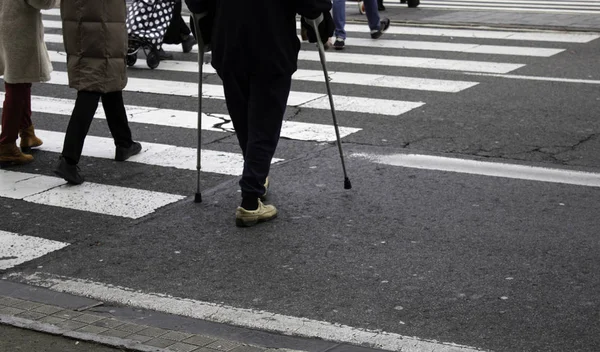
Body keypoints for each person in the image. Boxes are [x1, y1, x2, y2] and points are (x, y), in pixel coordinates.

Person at [185, 0, 333, 227]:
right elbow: (311, 3)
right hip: (271, 42)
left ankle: (257, 174)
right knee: (264, 122)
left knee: (243, 117)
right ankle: (251, 200)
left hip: (229, 41)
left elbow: (197, 2)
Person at [54, 0, 142, 185]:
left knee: (106, 76)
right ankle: (69, 159)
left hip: (77, 18)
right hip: (104, 19)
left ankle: (124, 142)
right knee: (93, 83)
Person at [0, 0, 57, 166]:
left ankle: (26, 132)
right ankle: (6, 143)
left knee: (21, 82)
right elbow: (43, 2)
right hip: (19, 28)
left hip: (8, 23)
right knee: (17, 85)